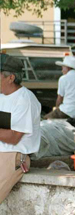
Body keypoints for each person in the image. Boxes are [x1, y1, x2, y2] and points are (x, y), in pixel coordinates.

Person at [0, 54, 41, 204]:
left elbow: (14, 137)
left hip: (12, 156)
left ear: (10, 78)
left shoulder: (25, 99)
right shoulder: (2, 96)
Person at [45, 56, 75, 120]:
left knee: (46, 118)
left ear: (68, 68)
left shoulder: (63, 78)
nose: (62, 70)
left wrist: (57, 108)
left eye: (63, 67)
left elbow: (59, 99)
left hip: (68, 111)